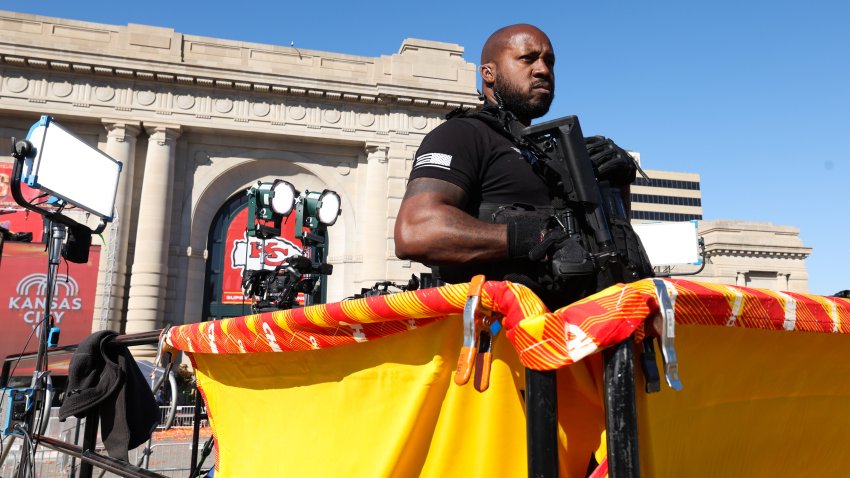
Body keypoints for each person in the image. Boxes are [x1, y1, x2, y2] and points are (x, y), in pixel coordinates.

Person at [394, 24, 640, 309]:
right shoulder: (462, 135)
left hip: (590, 326)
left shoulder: (557, 154)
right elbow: (416, 231)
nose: (543, 70)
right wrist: (531, 237)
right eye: (527, 59)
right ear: (489, 73)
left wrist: (618, 185)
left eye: (549, 61)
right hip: (503, 337)